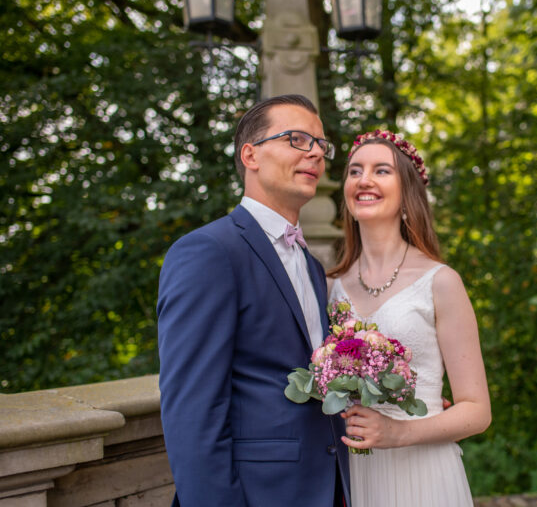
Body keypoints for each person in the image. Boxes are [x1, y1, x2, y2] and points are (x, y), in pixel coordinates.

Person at [157, 94, 350, 507]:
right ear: (251, 155)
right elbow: (192, 413)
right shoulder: (209, 251)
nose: (315, 152)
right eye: (297, 139)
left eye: (320, 144)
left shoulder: (312, 265)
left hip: (329, 487)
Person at [327, 130, 492, 506]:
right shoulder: (329, 286)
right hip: (354, 475)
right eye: (355, 171)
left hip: (423, 473)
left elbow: (477, 411)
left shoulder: (441, 282)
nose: (364, 180)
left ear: (407, 194)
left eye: (380, 170)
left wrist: (397, 432)